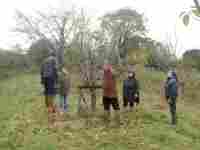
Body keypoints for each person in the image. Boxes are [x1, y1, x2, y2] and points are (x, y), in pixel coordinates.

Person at [41, 51, 58, 124]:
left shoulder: (44, 60)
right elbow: (55, 69)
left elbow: (41, 71)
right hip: (51, 78)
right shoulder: (54, 60)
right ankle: (52, 110)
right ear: (54, 55)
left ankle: (48, 107)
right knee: (52, 93)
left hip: (45, 78)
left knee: (46, 92)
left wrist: (42, 80)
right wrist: (57, 80)